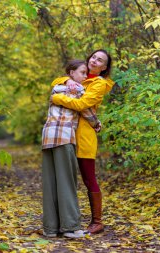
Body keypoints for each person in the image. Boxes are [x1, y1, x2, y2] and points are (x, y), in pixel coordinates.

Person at [51, 49, 114, 234]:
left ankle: (97, 221)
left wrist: (56, 98)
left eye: (100, 60)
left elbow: (81, 104)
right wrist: (67, 80)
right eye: (94, 57)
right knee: (64, 177)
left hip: (84, 136)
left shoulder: (99, 84)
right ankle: (63, 221)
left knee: (88, 178)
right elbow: (56, 81)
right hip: (65, 133)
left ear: (104, 68)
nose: (94, 61)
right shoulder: (80, 75)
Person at [42, 59, 101, 238]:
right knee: (67, 181)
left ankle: (50, 229)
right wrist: (97, 124)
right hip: (64, 137)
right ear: (71, 73)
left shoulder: (56, 88)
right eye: (82, 73)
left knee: (50, 183)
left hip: (48, 137)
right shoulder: (78, 89)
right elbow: (87, 112)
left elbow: (56, 91)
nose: (84, 76)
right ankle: (70, 227)